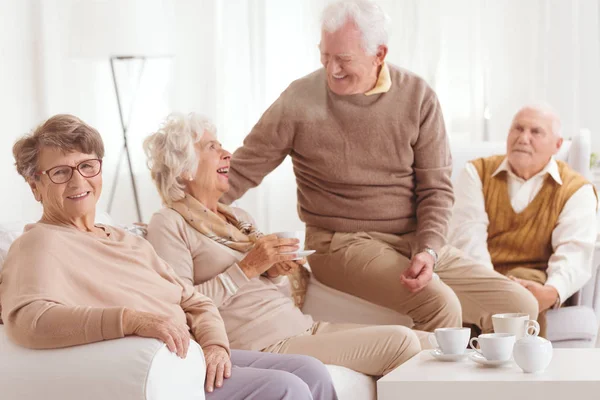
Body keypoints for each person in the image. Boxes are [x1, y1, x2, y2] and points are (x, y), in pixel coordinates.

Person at [219, 0, 539, 334]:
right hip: (339, 243)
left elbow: (436, 190)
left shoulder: (417, 96)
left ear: (380, 54)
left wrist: (429, 249)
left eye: (343, 59)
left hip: (412, 238)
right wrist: (183, 207)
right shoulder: (299, 100)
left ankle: (487, 384)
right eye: (325, 56)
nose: (332, 70)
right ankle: (431, 387)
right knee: (440, 303)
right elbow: (240, 171)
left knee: (520, 306)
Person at [0, 114, 337, 400]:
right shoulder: (39, 244)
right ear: (35, 186)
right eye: (60, 172)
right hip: (163, 369)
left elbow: (195, 302)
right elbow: (28, 320)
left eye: (87, 166)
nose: (79, 180)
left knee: (311, 369)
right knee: (284, 388)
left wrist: (216, 344)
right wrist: (131, 320)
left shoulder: (126, 241)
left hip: (194, 355)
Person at [144, 112, 421, 377]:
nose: (227, 153)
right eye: (212, 147)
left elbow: (275, 293)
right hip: (264, 345)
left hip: (304, 328)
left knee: (430, 343)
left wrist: (275, 273)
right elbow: (180, 307)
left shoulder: (238, 218)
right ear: (184, 169)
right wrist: (248, 268)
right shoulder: (169, 223)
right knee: (401, 342)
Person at [449, 105, 598, 337]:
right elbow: (468, 239)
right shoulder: (475, 172)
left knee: (524, 289)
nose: (523, 138)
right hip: (479, 277)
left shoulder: (577, 189)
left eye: (536, 132)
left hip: (536, 283)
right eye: (517, 128)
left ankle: (503, 364)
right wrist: (494, 290)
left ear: (558, 145)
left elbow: (574, 253)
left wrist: (551, 291)